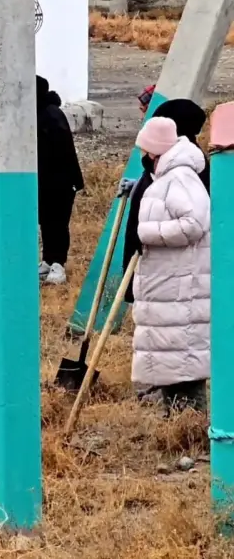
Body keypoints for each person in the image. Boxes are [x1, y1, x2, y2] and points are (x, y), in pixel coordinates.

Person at [130, 116, 211, 415]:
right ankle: (177, 420)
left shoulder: (180, 178)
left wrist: (146, 233)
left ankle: (190, 426)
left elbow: (194, 224)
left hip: (181, 287)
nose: (143, 156)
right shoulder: (166, 178)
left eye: (146, 149)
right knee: (173, 355)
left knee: (182, 357)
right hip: (170, 285)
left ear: (155, 150)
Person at [120, 98, 210, 304]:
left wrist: (145, 232)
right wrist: (138, 186)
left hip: (171, 271)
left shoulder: (186, 170)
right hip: (156, 264)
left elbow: (192, 221)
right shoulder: (163, 160)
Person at [36, 75, 85, 285]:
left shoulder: (51, 115)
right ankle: (47, 260)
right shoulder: (39, 112)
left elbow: (61, 153)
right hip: (44, 180)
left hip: (59, 182)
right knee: (46, 221)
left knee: (57, 222)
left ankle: (58, 264)